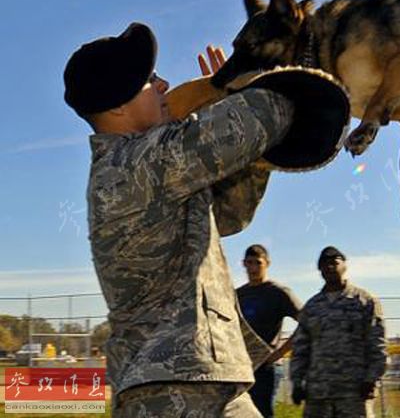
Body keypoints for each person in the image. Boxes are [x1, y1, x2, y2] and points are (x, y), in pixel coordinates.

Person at [64, 24, 294, 416]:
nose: (164, 85)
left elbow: (230, 215)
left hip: (198, 381)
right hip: (173, 390)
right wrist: (252, 82)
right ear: (118, 106)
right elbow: (267, 114)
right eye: (150, 80)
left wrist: (231, 106)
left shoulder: (150, 166)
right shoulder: (139, 162)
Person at [290, 246, 387, 418]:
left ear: (345, 266)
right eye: (324, 264)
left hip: (354, 392)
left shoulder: (364, 301)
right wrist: (297, 382)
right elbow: (300, 348)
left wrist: (372, 379)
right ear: (319, 269)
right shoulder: (312, 307)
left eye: (334, 263)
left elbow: (377, 345)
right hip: (319, 393)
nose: (330, 267)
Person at [237, 244, 303, 417]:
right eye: (249, 263)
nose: (253, 268)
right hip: (242, 366)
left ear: (267, 263)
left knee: (263, 413)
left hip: (266, 367)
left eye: (258, 263)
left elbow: (306, 323)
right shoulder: (238, 295)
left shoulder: (278, 292)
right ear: (243, 264)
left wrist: (280, 352)